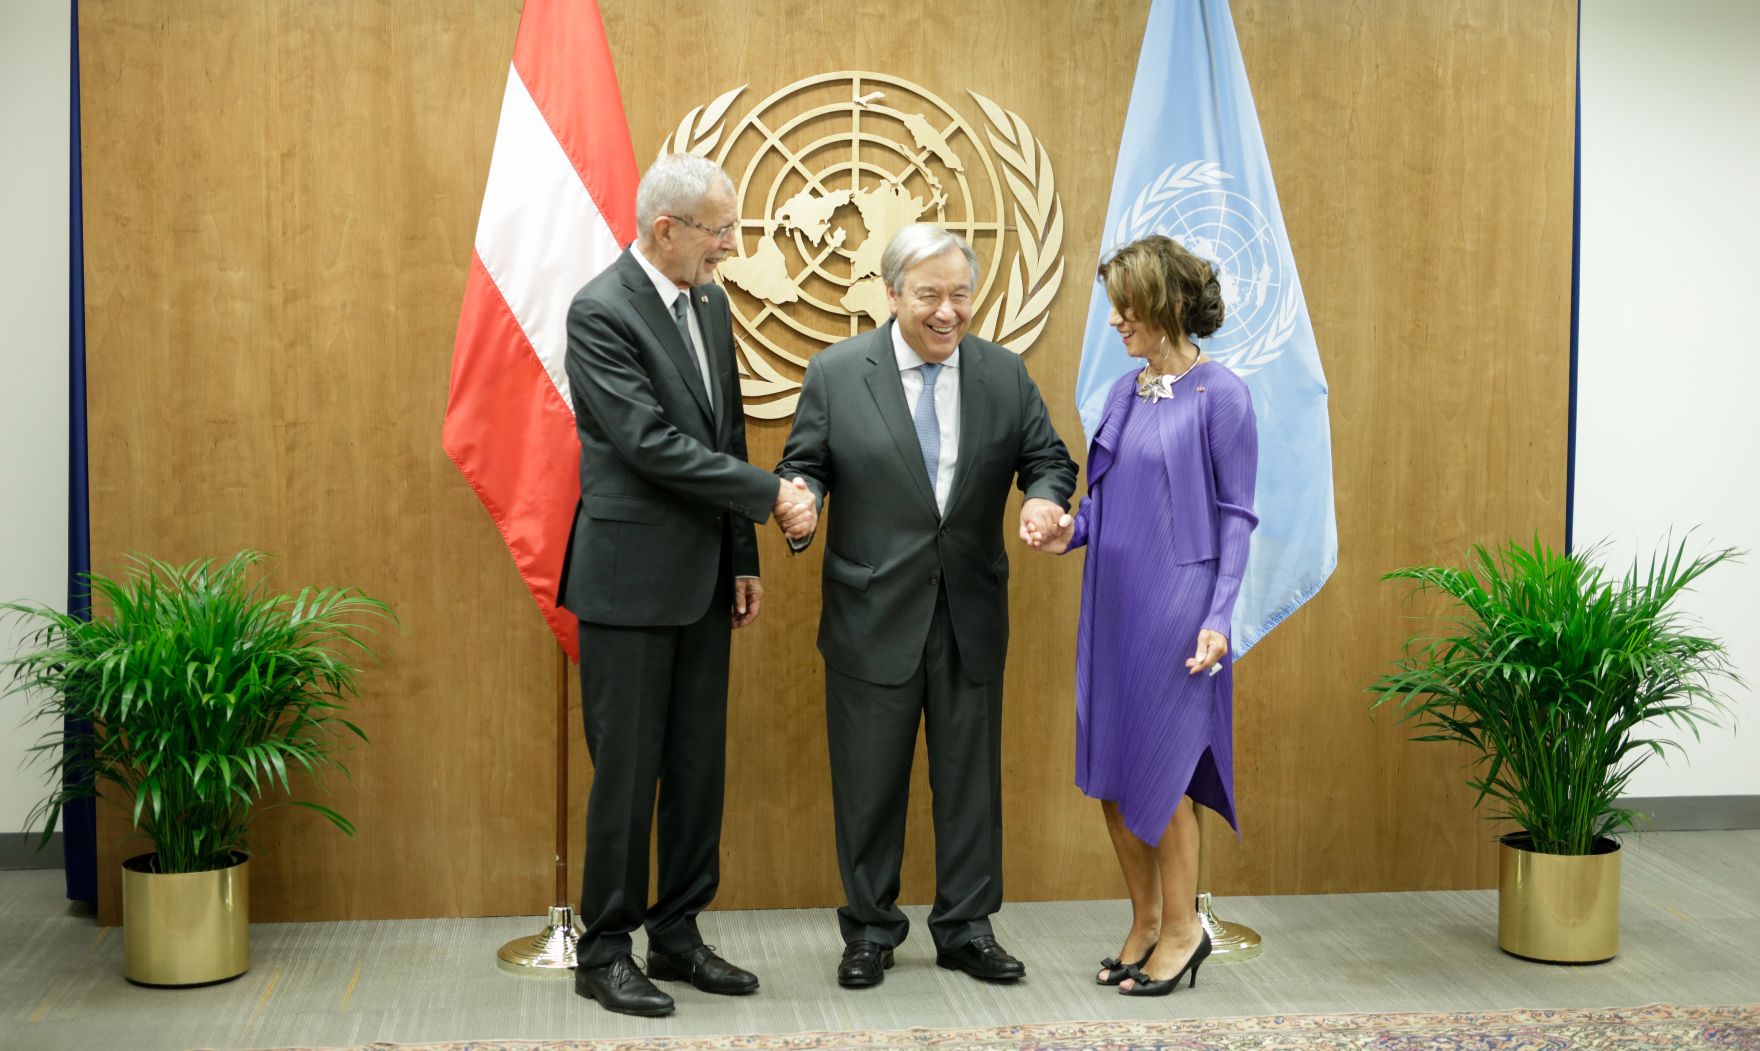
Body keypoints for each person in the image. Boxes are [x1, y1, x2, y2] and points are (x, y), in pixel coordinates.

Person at [775, 224, 1077, 989]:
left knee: (970, 781)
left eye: (960, 295)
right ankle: (870, 928)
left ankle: (966, 927)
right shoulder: (839, 372)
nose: (948, 312)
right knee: (868, 782)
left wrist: (1044, 500)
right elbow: (803, 462)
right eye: (930, 295)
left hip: (969, 610)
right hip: (872, 610)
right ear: (892, 295)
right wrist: (801, 501)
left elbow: (1048, 458)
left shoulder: (1004, 374)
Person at [557, 154, 816, 1017]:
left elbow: (723, 427)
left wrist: (741, 555)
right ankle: (605, 948)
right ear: (665, 229)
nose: (731, 248)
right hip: (629, 585)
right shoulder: (600, 311)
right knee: (628, 774)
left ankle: (677, 933)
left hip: (705, 578)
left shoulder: (707, 300)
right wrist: (770, 493)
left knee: (699, 768)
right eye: (720, 231)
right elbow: (648, 443)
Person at [1026, 235, 1258, 996]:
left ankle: (1186, 928)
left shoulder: (1221, 392)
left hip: (1180, 603)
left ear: (1169, 304)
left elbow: (1235, 517)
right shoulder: (1125, 392)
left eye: (1129, 304)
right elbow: (1103, 503)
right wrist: (1069, 530)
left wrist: (1219, 616)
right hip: (1112, 601)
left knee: (1166, 769)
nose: (1117, 319)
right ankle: (1147, 917)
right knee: (1115, 770)